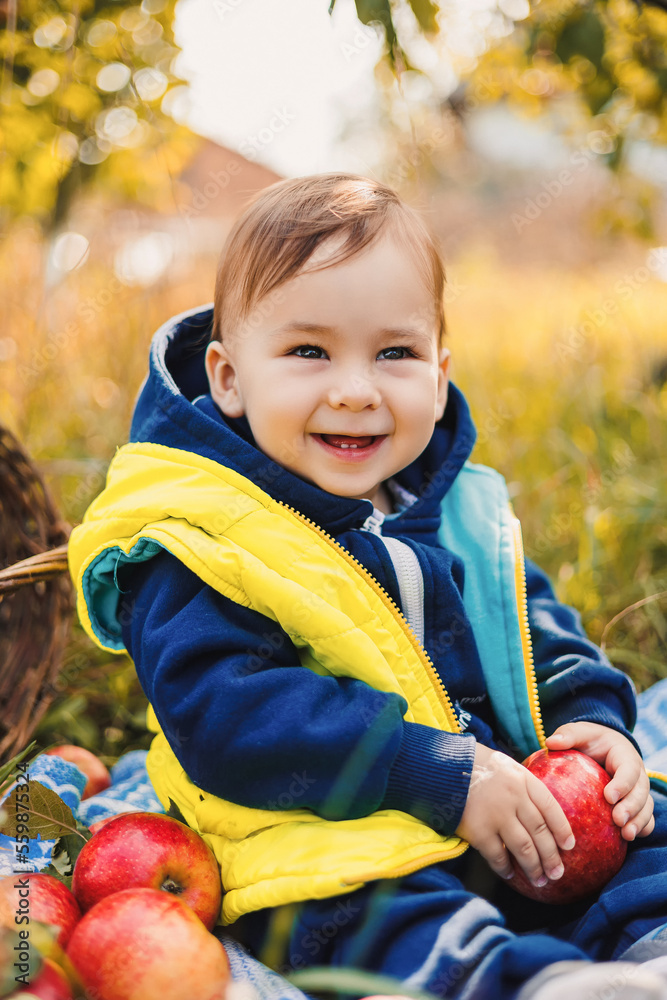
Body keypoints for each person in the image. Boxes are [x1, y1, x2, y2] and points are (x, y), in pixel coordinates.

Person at [69, 173, 667, 1000]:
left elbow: (529, 626)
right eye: (309, 352)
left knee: (641, 837)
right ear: (228, 378)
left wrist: (592, 724)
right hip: (320, 829)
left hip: (502, 799)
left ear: (438, 369)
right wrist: (434, 772)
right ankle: (530, 986)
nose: (355, 388)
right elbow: (227, 714)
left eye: (394, 353)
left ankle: (647, 948)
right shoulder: (196, 536)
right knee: (368, 914)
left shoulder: (445, 503)